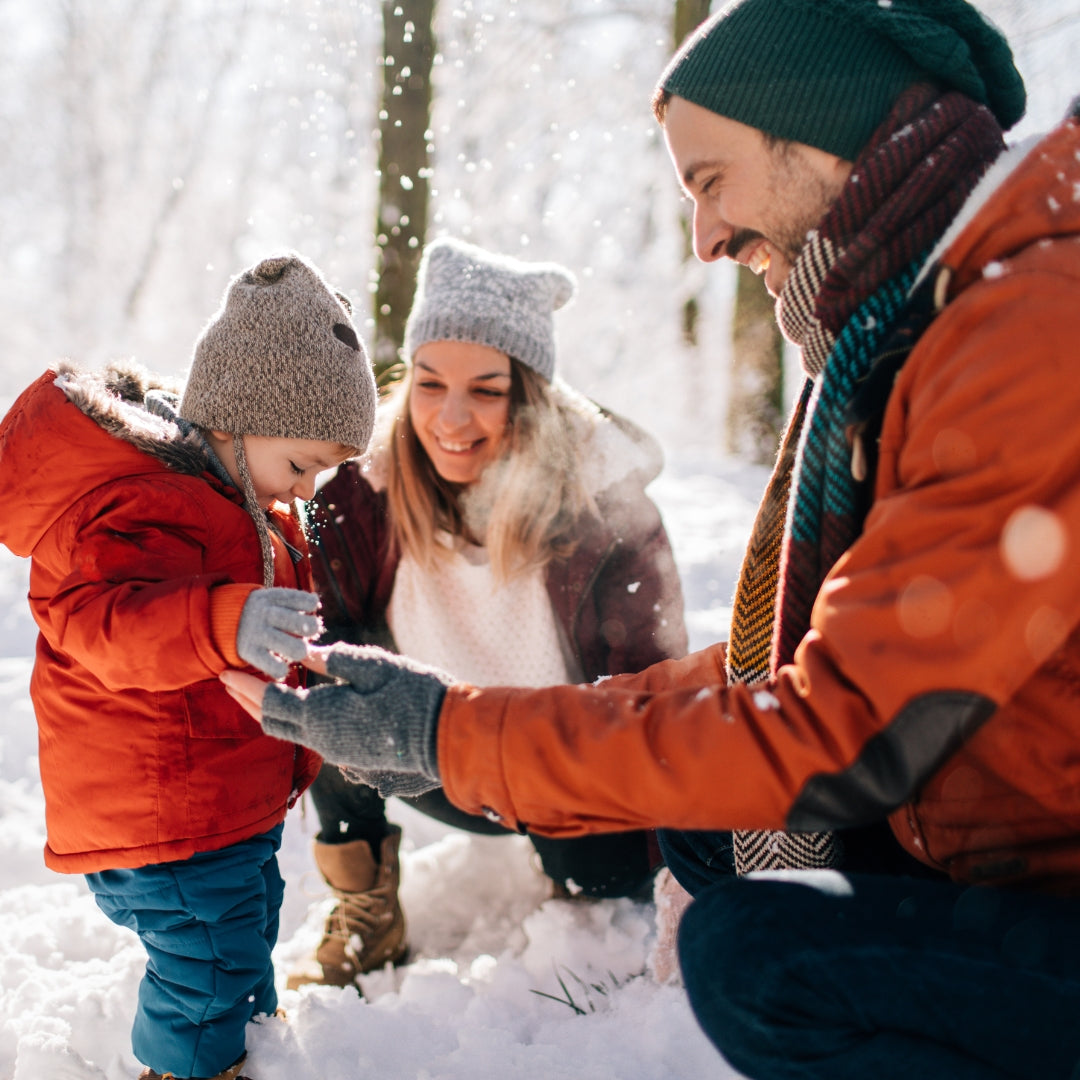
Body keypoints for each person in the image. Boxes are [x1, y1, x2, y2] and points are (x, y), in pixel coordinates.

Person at [221, 1, 1080, 1076]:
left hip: (1041, 867)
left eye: (710, 181)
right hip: (978, 811)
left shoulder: (1025, 330)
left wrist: (457, 733)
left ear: (822, 135)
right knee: (709, 823)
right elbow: (817, 674)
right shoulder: (926, 318)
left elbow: (842, 729)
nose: (706, 239)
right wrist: (448, 728)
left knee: (754, 956)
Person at [0, 253, 377, 1080]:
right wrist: (221, 617)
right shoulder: (148, 502)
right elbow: (98, 624)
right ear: (242, 419)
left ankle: (249, 1040)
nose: (308, 490)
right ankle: (190, 1067)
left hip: (216, 801)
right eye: (303, 464)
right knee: (205, 965)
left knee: (242, 929)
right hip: (162, 810)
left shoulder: (240, 498)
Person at [285, 235, 689, 992]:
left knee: (602, 883)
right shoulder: (358, 491)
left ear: (531, 396)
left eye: (489, 389)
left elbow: (653, 695)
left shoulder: (607, 504)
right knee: (331, 690)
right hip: (425, 752)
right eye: (430, 383)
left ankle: (581, 906)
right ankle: (365, 903)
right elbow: (317, 637)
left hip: (566, 769)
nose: (452, 418)